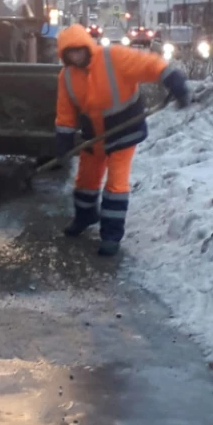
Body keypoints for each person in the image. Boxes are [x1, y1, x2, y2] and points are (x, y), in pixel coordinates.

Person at [55, 24, 190, 256]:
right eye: (70, 54)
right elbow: (65, 110)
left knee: (116, 184)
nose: (75, 57)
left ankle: (111, 235)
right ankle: (85, 215)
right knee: (86, 179)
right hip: (93, 135)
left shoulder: (113, 57)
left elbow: (148, 64)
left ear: (86, 46)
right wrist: (64, 137)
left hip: (123, 129)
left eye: (78, 50)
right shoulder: (67, 76)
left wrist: (171, 78)